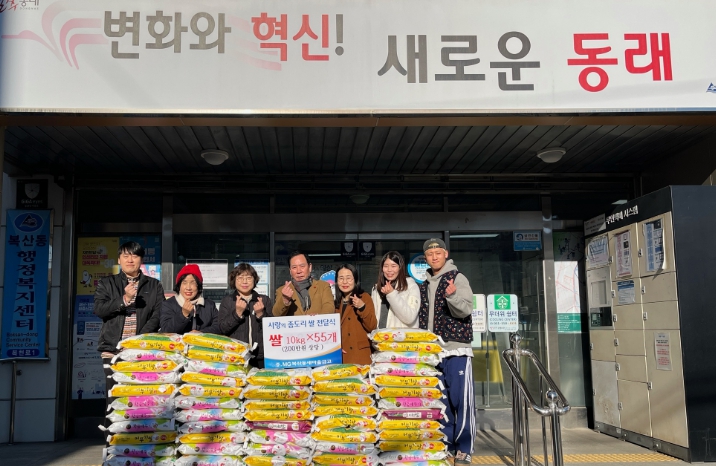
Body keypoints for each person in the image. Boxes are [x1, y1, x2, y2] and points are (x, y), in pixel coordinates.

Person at [94, 241, 164, 427]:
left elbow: (158, 315)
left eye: (134, 256)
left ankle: (137, 437)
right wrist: (124, 299)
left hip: (141, 350)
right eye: (125, 256)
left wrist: (137, 341)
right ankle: (112, 438)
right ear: (119, 260)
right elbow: (99, 310)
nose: (130, 260)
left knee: (140, 396)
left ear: (141, 260)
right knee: (114, 395)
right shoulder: (107, 283)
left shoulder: (154, 285)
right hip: (112, 350)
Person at [418, 238, 475, 466]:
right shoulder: (424, 284)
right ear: (425, 258)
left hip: (456, 349)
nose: (434, 257)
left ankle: (464, 449)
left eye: (438, 253)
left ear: (445, 254)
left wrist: (452, 295)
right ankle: (447, 445)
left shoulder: (457, 278)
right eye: (429, 254)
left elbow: (466, 310)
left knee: (461, 402)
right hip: (433, 353)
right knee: (441, 403)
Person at [219, 263, 273, 368]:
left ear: (254, 280)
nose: (244, 281)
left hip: (260, 356)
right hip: (236, 356)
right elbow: (222, 329)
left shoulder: (264, 300)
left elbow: (272, 329)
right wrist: (237, 313)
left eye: (249, 278)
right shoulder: (228, 301)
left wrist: (261, 314)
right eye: (240, 278)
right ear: (234, 280)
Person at [334, 263, 377, 365]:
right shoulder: (335, 302)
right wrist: (336, 347)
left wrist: (362, 307)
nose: (345, 282)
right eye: (341, 278)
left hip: (360, 355)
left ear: (355, 280)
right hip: (342, 356)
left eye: (348, 278)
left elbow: (372, 326)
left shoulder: (364, 297)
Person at [160, 264, 219, 334]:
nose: (188, 288)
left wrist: (201, 333)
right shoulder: (168, 304)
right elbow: (166, 330)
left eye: (192, 283)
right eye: (184, 283)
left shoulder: (209, 305)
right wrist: (183, 314)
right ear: (179, 285)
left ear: (198, 285)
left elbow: (219, 327)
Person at [272, 251, 334, 316]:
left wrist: (317, 318)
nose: (298, 271)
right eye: (294, 267)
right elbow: (276, 314)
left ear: (310, 267)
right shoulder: (282, 290)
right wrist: (285, 299)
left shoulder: (323, 286)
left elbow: (329, 307)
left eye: (302, 266)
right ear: (290, 271)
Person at [371, 251, 421, 328]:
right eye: (386, 266)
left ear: (400, 267)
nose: (389, 270)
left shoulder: (410, 286)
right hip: (381, 334)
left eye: (393, 266)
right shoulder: (377, 287)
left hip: (402, 335)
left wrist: (392, 294)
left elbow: (410, 318)